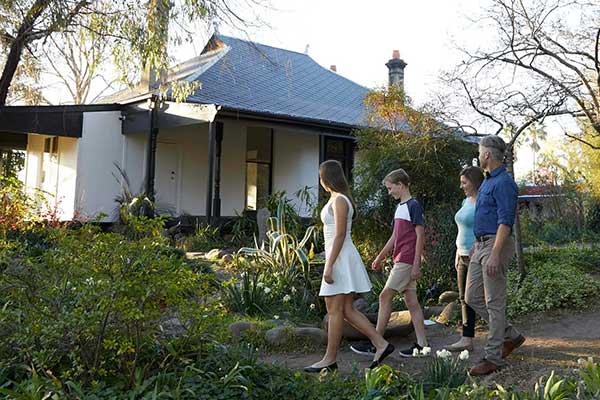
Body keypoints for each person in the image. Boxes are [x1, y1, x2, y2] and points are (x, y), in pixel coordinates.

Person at [304, 160, 394, 373]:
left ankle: (330, 359)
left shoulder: (340, 201)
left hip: (340, 258)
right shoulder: (337, 199)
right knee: (346, 310)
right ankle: (381, 344)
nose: (320, 181)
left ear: (327, 178)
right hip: (339, 257)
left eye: (321, 177)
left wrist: (329, 265)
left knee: (335, 309)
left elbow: (340, 234)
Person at [350, 168, 429, 358]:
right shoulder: (399, 207)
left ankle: (377, 343)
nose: (389, 192)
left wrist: (416, 263)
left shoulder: (413, 205)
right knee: (412, 303)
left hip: (407, 260)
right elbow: (395, 237)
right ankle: (422, 345)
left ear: (401, 185)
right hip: (400, 258)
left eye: (390, 188)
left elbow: (420, 236)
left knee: (385, 296)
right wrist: (380, 256)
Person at [466, 135, 526, 376]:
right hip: (480, 245)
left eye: (480, 152)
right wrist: (476, 245)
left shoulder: (504, 183)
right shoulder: (488, 181)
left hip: (495, 245)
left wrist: (494, 254)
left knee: (494, 302)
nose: (479, 156)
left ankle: (493, 358)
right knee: (472, 297)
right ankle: (510, 335)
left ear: (487, 155)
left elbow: (505, 223)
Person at [448, 166, 484, 352]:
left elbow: (484, 226)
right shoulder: (465, 201)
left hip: (476, 255)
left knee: (477, 298)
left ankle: (501, 333)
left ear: (474, 182)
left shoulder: (483, 202)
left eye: (464, 182)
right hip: (461, 254)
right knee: (463, 298)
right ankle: (466, 338)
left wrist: (476, 247)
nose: (461, 186)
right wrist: (457, 252)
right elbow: (461, 228)